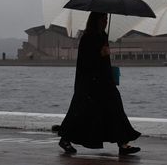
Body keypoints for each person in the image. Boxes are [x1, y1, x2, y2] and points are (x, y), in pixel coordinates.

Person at [58, 12, 141, 155]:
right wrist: (100, 54)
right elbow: (86, 62)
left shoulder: (103, 36)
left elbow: (104, 62)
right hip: (90, 84)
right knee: (81, 112)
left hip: (105, 82)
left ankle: (123, 143)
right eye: (103, 19)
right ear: (96, 20)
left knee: (115, 109)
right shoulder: (88, 38)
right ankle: (65, 138)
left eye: (106, 19)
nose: (105, 22)